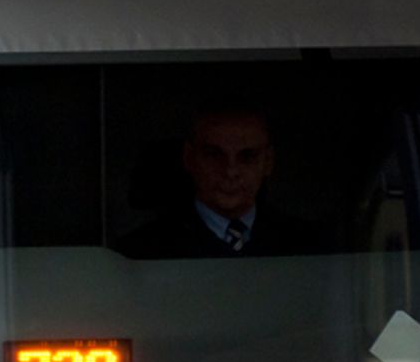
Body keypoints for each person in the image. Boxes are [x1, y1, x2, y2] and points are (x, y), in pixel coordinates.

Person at [119, 101, 322, 259]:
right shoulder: (141, 252)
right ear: (189, 158)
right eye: (214, 155)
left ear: (268, 162)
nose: (230, 171)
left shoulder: (309, 246)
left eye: (247, 156)